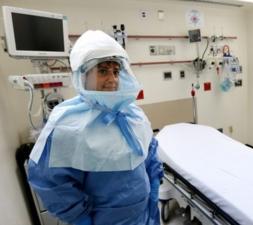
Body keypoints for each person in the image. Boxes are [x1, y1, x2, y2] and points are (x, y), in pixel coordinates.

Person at [27, 30, 163, 225]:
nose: (113, 79)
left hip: (145, 216)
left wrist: (154, 189)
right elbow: (50, 182)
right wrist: (81, 219)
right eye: (103, 71)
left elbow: (149, 153)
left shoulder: (132, 114)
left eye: (116, 71)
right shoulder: (67, 125)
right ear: (83, 75)